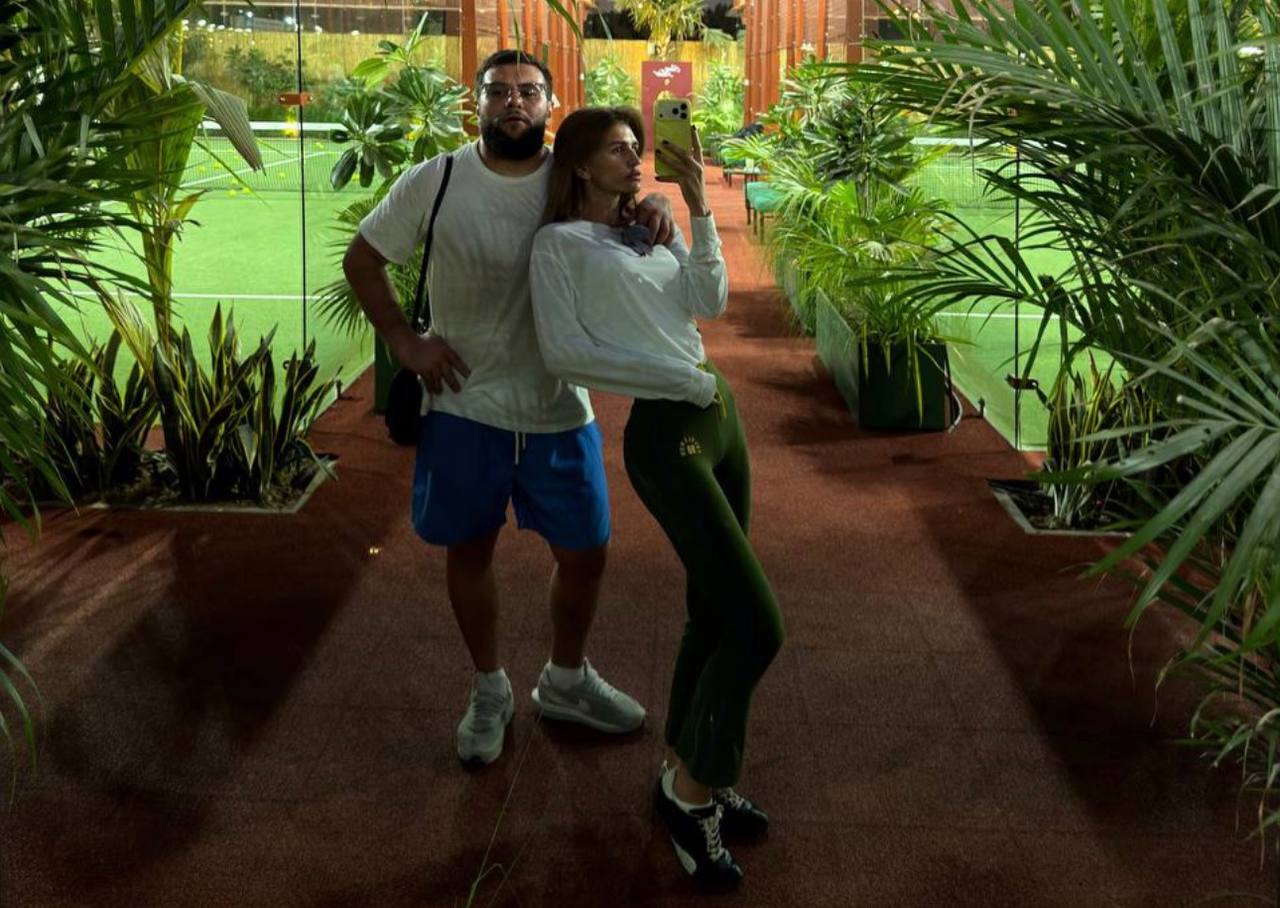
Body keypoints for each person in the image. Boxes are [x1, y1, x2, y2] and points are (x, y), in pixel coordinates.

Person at [343, 51, 678, 767]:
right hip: (465, 404)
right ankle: (489, 686)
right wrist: (403, 339)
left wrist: (656, 207)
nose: (513, 102)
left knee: (586, 552)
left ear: (551, 104)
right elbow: (363, 259)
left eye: (529, 91)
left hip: (559, 404)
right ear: (478, 103)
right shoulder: (435, 179)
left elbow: (637, 212)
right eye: (498, 92)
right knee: (470, 549)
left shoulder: (572, 177)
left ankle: (566, 679)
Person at [528, 107, 785, 891]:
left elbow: (709, 301)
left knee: (714, 613)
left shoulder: (648, 226)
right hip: (668, 432)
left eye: (638, 148)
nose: (635, 158)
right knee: (758, 625)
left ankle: (690, 757)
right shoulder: (558, 245)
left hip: (717, 414)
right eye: (618, 149)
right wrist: (680, 380)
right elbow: (566, 352)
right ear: (579, 164)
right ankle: (691, 793)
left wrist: (697, 207)